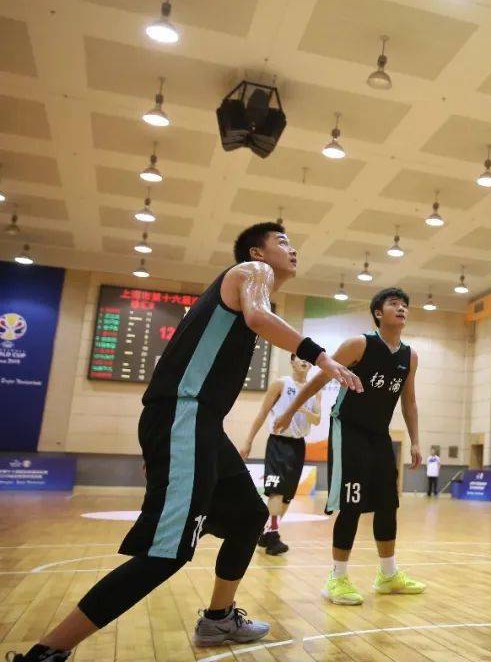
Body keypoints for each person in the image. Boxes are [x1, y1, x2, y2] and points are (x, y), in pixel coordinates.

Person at [7, 223, 362, 662]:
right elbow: (256, 316)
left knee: (251, 514)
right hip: (183, 417)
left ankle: (218, 617)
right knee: (164, 555)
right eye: (283, 242)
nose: (293, 249)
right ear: (257, 251)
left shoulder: (248, 291)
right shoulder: (252, 271)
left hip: (196, 425)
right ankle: (46, 652)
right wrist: (321, 355)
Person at [274, 287, 425, 605]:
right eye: (393, 304)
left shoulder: (410, 356)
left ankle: (388, 575)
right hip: (349, 429)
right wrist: (289, 411)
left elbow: (409, 401)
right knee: (351, 503)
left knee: (387, 503)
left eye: (405, 305)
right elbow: (317, 379)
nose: (401, 309)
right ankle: (337, 578)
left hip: (379, 434)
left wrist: (415, 441)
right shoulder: (359, 344)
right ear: (378, 313)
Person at [239, 353, 322, 556]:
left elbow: (317, 420)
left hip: (298, 445)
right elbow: (262, 412)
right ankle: (274, 535)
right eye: (300, 358)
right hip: (278, 443)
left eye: (307, 359)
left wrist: (301, 409)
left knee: (287, 497)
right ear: (292, 361)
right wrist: (248, 441)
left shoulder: (314, 391)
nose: (304, 361)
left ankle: (267, 532)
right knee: (276, 491)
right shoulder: (281, 384)